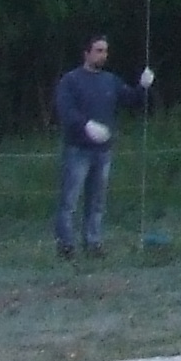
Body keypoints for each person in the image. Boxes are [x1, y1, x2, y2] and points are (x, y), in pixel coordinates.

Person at [52, 36, 149, 260]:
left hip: (103, 151)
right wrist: (86, 125)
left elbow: (132, 100)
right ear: (86, 53)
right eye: (98, 50)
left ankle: (93, 243)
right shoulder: (71, 80)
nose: (103, 55)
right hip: (77, 150)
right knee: (69, 201)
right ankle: (66, 245)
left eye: (105, 51)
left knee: (97, 202)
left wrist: (143, 87)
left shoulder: (110, 80)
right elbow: (66, 111)